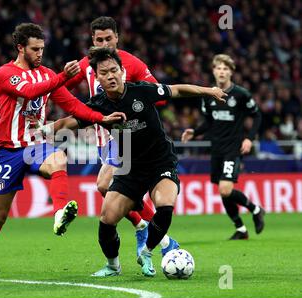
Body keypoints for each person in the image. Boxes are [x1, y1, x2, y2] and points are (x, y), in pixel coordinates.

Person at [44, 47, 227, 277]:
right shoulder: (98, 105)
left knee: (165, 205)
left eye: (114, 70)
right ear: (97, 77)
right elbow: (70, 122)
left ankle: (148, 251)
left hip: (161, 162)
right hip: (129, 167)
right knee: (107, 219)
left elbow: (177, 90)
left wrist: (208, 91)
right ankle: (112, 265)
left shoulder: (142, 91)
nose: (110, 76)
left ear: (122, 71)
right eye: (104, 73)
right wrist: (42, 130)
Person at [0, 23, 124, 277]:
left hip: (36, 145)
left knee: (59, 157)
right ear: (20, 48)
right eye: (34, 49)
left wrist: (102, 118)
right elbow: (29, 90)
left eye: (42, 49)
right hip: (9, 150)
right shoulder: (5, 73)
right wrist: (62, 77)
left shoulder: (46, 74)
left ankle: (58, 213)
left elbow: (74, 106)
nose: (39, 54)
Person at [64, 16, 180, 265]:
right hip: (103, 136)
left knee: (105, 183)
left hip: (127, 135)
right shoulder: (87, 64)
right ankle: (149, 231)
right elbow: (61, 88)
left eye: (108, 39)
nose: (104, 43)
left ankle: (150, 232)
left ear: (117, 37)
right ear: (92, 40)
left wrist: (127, 96)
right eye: (99, 40)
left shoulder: (132, 63)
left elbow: (155, 94)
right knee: (106, 188)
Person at [181, 54, 265, 240]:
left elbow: (258, 116)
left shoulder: (241, 95)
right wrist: (194, 132)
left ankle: (256, 209)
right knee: (222, 189)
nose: (222, 71)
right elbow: (209, 122)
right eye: (219, 68)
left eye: (226, 69)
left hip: (233, 148)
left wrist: (250, 139)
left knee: (225, 189)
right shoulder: (208, 96)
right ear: (213, 71)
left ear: (231, 72)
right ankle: (241, 229)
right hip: (216, 148)